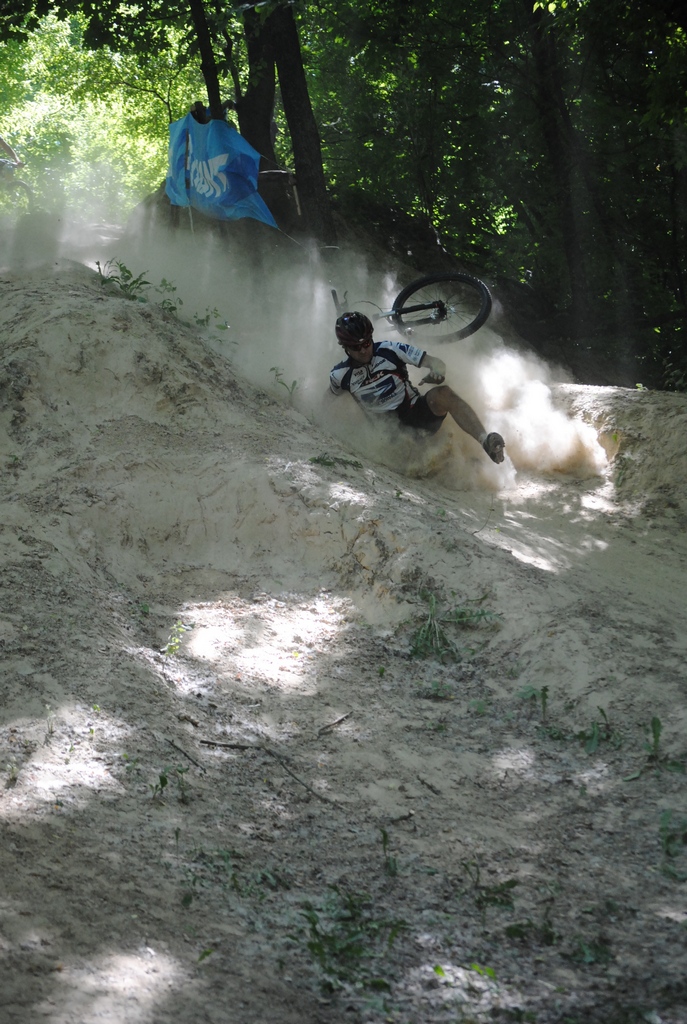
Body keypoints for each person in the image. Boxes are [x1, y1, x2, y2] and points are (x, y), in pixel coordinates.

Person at [329, 311, 505, 464]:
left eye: (366, 343)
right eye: (356, 347)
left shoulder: (390, 350)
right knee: (422, 459)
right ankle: (456, 463)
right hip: (387, 435)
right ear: (345, 347)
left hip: (415, 414)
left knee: (444, 393)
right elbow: (328, 401)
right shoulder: (340, 375)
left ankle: (485, 441)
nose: (363, 350)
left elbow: (436, 363)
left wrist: (437, 372)